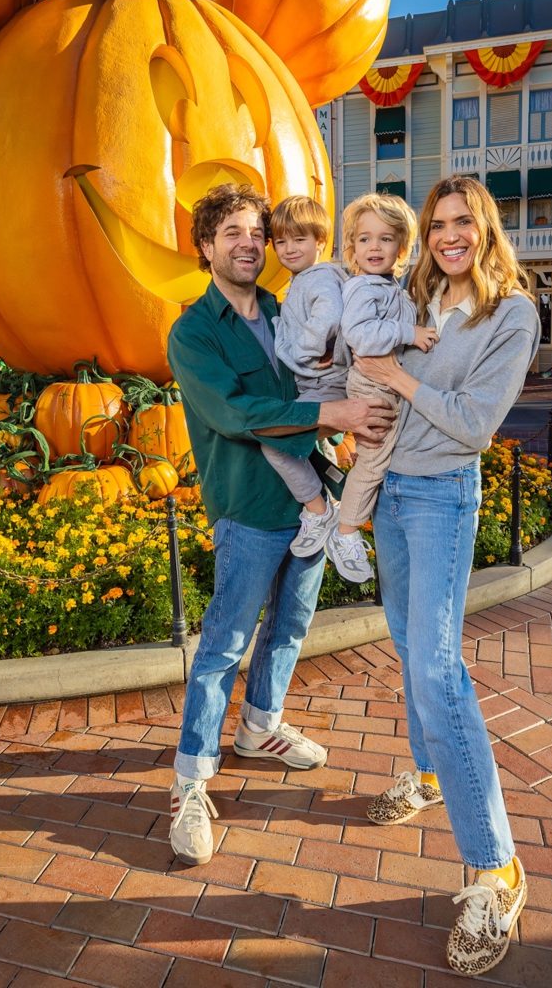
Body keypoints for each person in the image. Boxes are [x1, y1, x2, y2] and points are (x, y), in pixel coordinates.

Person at [166, 183, 394, 867]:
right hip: (249, 507)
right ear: (206, 245)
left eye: (256, 233)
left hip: (310, 500)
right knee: (224, 643)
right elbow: (233, 412)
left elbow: (334, 364)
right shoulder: (194, 331)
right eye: (232, 232)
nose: (249, 244)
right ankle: (190, 780)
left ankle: (260, 726)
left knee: (292, 626)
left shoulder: (285, 304)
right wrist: (330, 415)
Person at [354, 175, 540, 977]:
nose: (448, 235)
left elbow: (473, 424)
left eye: (463, 221)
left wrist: (397, 378)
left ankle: (497, 868)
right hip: (391, 491)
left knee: (437, 668)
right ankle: (430, 774)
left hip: (441, 497)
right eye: (437, 224)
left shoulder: (513, 314)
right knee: (407, 644)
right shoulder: (416, 298)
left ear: (486, 227)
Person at [324, 193, 438, 582]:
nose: (374, 247)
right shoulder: (363, 288)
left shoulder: (389, 287)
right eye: (365, 238)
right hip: (372, 382)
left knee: (382, 454)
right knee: (373, 459)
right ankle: (345, 532)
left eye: (385, 238)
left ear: (401, 247)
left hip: (386, 380)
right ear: (352, 247)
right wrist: (410, 333)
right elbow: (362, 336)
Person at [259, 196, 349, 559]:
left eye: (300, 239)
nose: (289, 248)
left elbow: (329, 314)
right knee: (309, 447)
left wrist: (302, 350)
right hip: (319, 385)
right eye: (281, 241)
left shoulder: (319, 278)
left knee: (275, 443)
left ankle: (319, 509)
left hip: (326, 386)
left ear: (320, 241)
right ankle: (334, 496)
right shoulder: (303, 281)